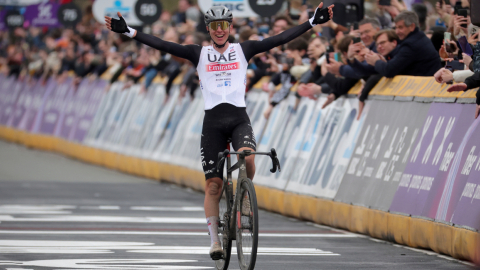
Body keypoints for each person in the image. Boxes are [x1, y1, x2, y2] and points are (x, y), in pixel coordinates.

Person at [104, 3, 334, 260]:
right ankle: (215, 240)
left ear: (230, 26)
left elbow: (279, 39)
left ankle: (245, 197)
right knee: (213, 186)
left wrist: (312, 22)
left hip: (238, 119)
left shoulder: (243, 49)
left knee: (247, 156)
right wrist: (130, 32)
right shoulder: (197, 52)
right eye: (215, 26)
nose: (220, 30)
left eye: (224, 25)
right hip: (212, 123)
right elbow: (163, 45)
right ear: (209, 28)